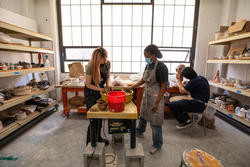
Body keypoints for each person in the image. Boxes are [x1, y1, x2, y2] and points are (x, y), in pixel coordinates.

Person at [126, 44, 168, 154]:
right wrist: (132, 87)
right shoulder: (148, 65)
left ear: (153, 55)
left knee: (155, 122)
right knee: (143, 114)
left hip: (156, 96)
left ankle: (157, 144)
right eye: (144, 56)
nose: (145, 58)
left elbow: (164, 86)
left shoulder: (161, 67)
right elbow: (143, 80)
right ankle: (139, 131)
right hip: (146, 93)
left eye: (147, 55)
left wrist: (157, 103)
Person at [85, 47, 111, 146]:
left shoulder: (107, 63)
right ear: (97, 59)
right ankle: (90, 142)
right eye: (103, 59)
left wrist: (108, 84)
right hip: (91, 93)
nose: (105, 61)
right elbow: (88, 84)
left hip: (101, 91)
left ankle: (98, 138)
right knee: (93, 118)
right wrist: (102, 89)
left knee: (100, 116)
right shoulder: (90, 66)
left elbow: (108, 77)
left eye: (106, 58)